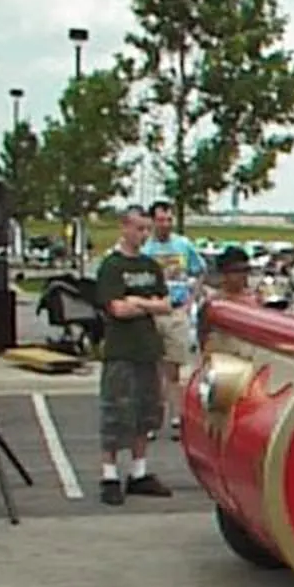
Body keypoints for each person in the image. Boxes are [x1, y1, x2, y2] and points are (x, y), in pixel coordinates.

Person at [92, 206, 175, 506]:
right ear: (124, 228)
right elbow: (117, 309)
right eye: (138, 228)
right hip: (120, 351)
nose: (143, 234)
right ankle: (109, 474)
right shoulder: (112, 267)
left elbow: (166, 304)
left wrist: (139, 301)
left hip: (147, 349)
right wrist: (146, 304)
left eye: (146, 229)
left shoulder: (151, 266)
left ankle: (138, 472)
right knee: (116, 412)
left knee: (146, 412)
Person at [141, 201, 205, 441]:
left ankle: (177, 416)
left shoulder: (183, 245)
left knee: (174, 368)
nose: (165, 224)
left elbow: (200, 270)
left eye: (169, 220)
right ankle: (152, 418)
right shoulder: (146, 248)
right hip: (152, 310)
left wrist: (191, 300)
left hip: (176, 310)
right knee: (153, 369)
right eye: (161, 220)